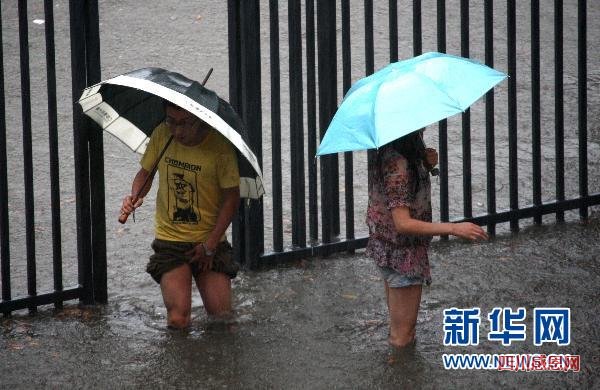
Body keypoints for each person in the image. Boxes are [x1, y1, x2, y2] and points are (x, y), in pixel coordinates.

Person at [121, 101, 241, 329]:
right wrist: (135, 195)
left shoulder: (219, 147)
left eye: (185, 123)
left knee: (223, 320)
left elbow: (232, 198)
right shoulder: (162, 135)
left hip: (209, 240)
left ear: (200, 119)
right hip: (171, 240)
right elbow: (145, 173)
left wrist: (210, 245)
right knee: (178, 319)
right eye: (171, 121)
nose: (177, 131)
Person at [366, 132, 488, 349]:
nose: (423, 128)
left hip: (389, 248)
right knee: (403, 336)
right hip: (403, 255)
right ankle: (400, 377)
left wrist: (425, 165)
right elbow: (402, 222)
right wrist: (454, 228)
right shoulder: (398, 164)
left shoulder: (393, 152)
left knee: (399, 328)